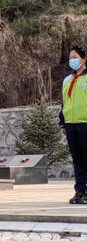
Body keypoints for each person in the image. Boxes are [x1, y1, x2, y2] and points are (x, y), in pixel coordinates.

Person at [59, 46, 87, 204]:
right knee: (77, 160)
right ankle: (79, 192)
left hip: (85, 124)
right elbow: (63, 103)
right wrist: (62, 123)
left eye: (75, 57)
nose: (72, 60)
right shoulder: (66, 80)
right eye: (70, 58)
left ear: (83, 59)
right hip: (71, 125)